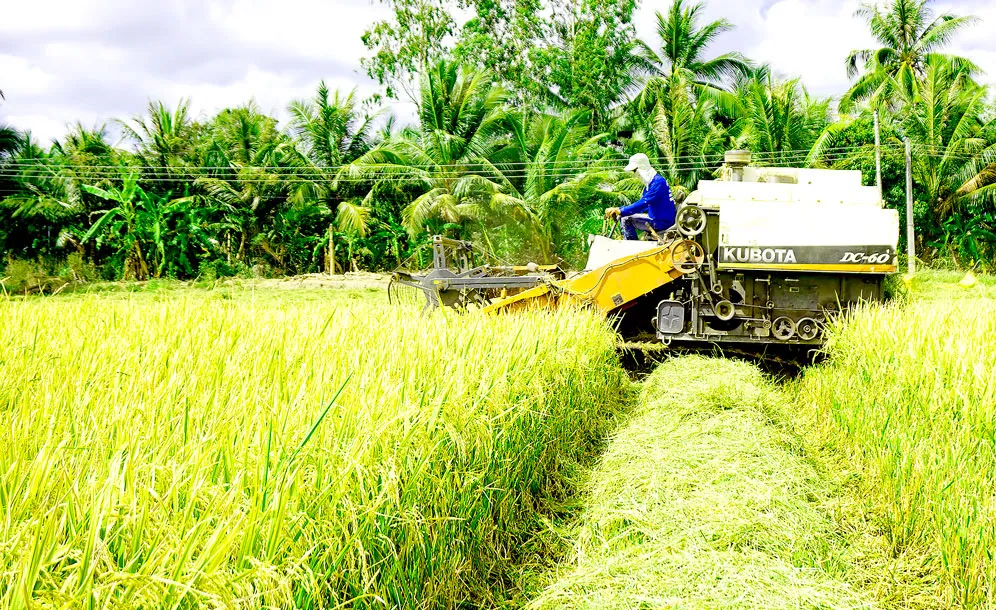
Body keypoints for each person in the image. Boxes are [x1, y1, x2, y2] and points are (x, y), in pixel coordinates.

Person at [605, 153, 677, 240]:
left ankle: (632, 249)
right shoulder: (651, 183)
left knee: (626, 220)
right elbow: (643, 206)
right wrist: (620, 209)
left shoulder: (658, 183)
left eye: (634, 170)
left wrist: (620, 210)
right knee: (624, 216)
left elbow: (643, 204)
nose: (634, 174)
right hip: (658, 218)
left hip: (661, 222)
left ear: (642, 168)